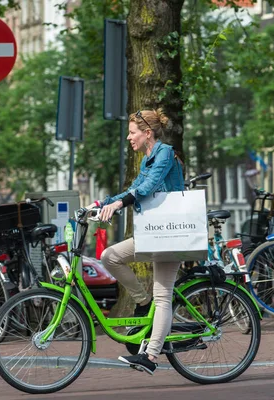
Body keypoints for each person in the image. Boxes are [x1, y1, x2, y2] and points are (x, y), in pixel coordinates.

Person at [88, 108, 184, 375]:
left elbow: (148, 187)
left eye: (132, 133)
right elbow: (134, 187)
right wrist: (101, 203)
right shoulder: (147, 159)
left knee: (163, 296)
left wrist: (121, 203)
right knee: (110, 257)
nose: (129, 138)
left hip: (171, 233)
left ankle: (151, 357)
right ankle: (143, 302)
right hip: (154, 233)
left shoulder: (164, 152)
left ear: (147, 133)